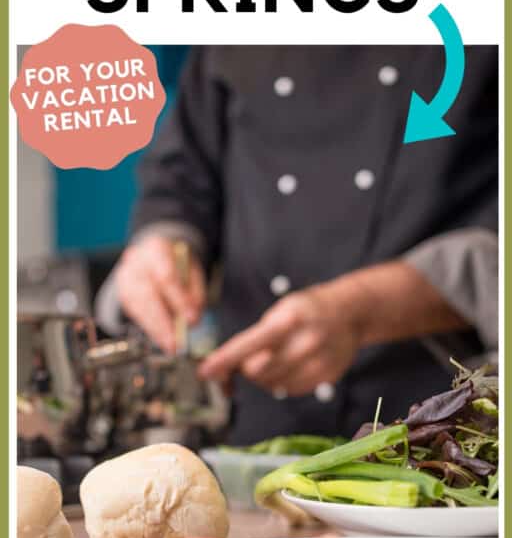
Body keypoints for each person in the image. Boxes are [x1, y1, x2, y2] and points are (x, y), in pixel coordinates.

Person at [98, 45, 498, 442]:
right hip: (256, 426)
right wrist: (162, 245)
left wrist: (359, 311)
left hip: (437, 426)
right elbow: (181, 176)